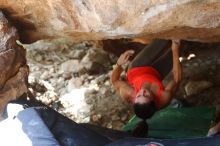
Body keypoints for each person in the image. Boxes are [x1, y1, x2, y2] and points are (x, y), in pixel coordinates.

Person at [110, 39, 182, 137]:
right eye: (146, 95)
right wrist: (175, 50)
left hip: (137, 68)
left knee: (162, 41)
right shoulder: (164, 98)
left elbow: (114, 81)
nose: (143, 91)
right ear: (154, 100)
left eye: (139, 95)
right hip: (156, 73)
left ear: (135, 99)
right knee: (179, 46)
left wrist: (119, 64)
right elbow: (177, 79)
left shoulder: (129, 93)